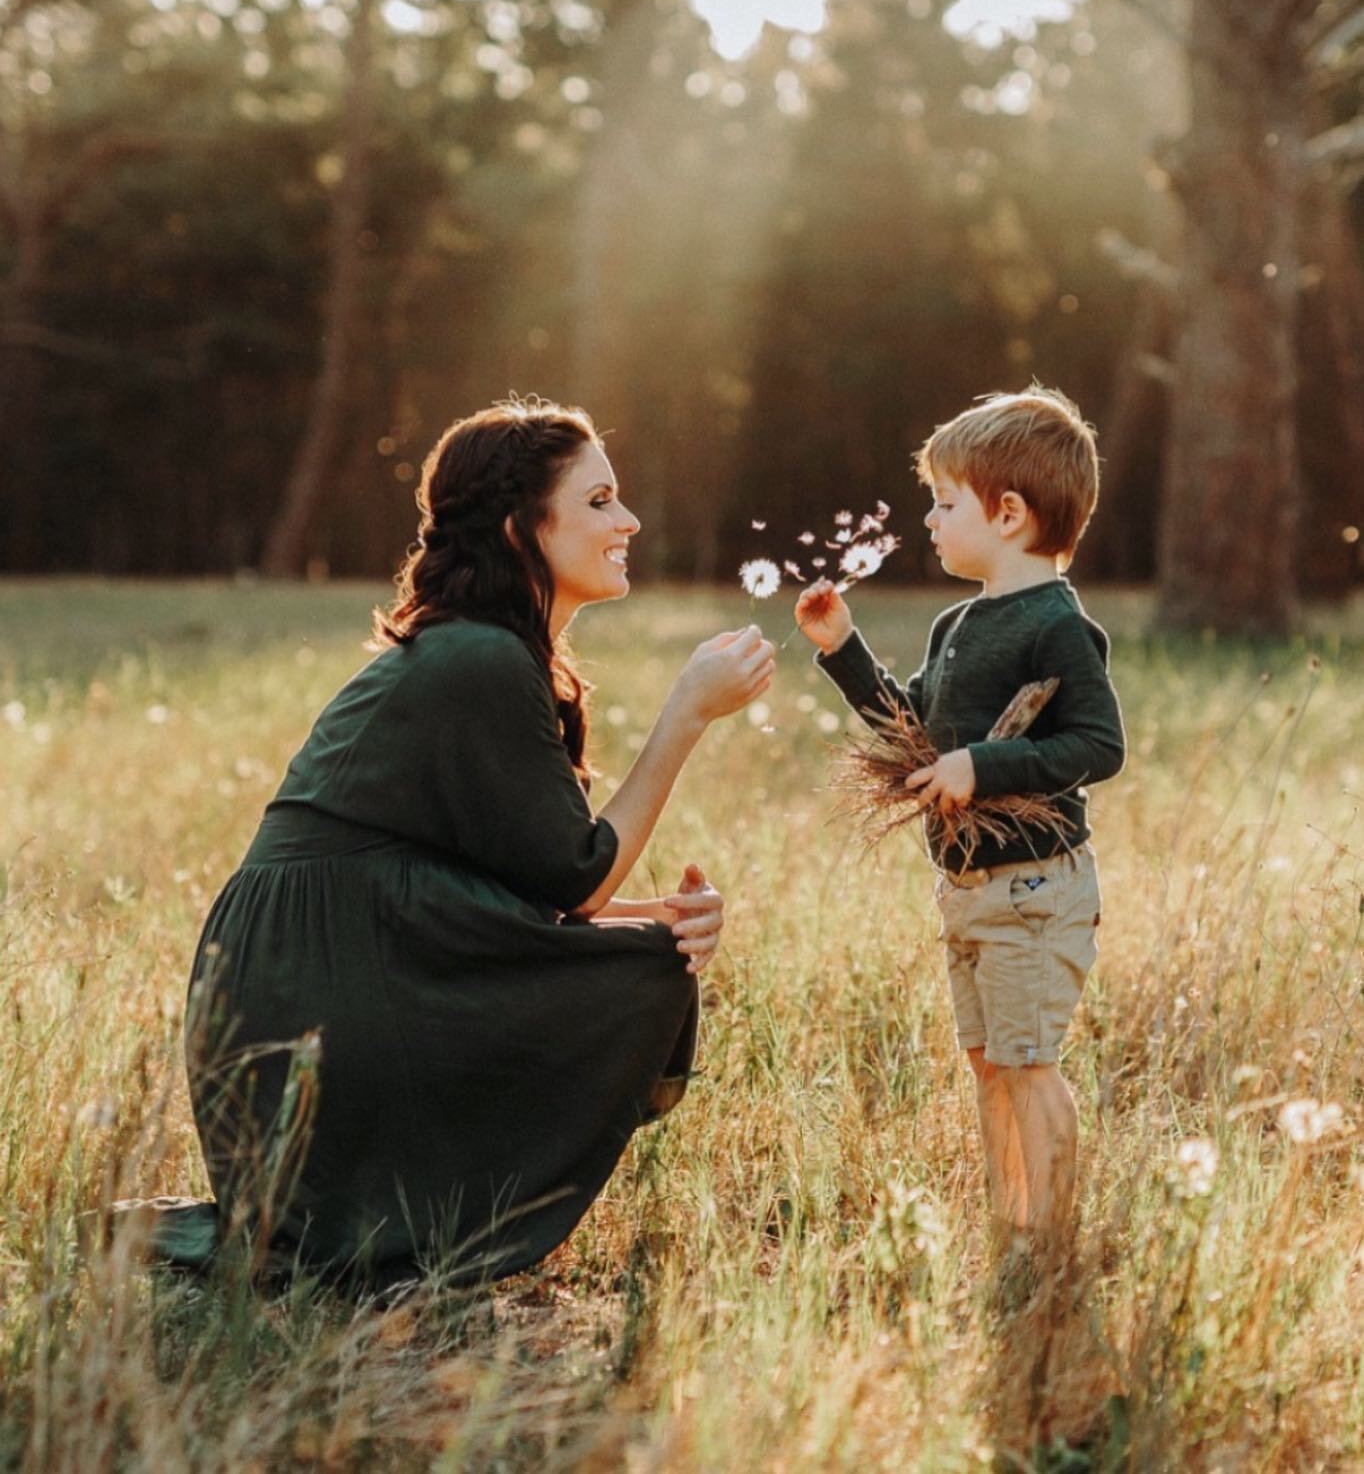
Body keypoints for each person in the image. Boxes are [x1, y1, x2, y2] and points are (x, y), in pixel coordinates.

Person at [162, 398, 774, 1292]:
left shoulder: (492, 655)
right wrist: (687, 712)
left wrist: (662, 916)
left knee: (651, 954)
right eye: (600, 501)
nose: (628, 520)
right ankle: (385, 1212)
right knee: (637, 967)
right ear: (521, 526)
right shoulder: (478, 659)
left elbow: (532, 889)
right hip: (314, 976)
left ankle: (391, 1206)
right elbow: (581, 877)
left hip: (335, 957)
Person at [794, 386, 1125, 1260]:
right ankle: (1009, 1221)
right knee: (988, 1062)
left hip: (1032, 888)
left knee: (1027, 1061)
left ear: (1009, 513)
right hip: (968, 889)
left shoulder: (1059, 625)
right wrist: (844, 652)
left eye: (946, 502)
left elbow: (1100, 743)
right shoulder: (956, 623)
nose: (930, 519)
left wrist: (987, 765)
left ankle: (1049, 1239)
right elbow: (914, 738)